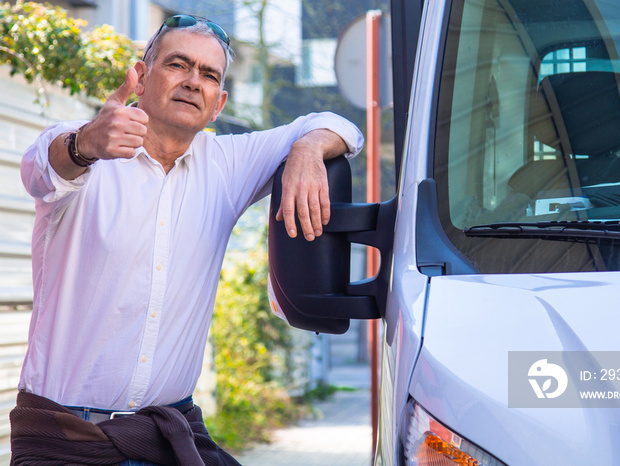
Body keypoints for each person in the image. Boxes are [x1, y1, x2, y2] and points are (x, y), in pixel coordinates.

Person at [10, 14, 363, 465]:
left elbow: (340, 125)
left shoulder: (227, 164)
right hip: (66, 439)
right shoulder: (87, 148)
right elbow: (40, 169)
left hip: (167, 436)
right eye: (178, 65)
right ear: (140, 77)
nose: (193, 82)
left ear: (219, 104)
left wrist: (308, 149)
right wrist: (86, 144)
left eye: (209, 74)